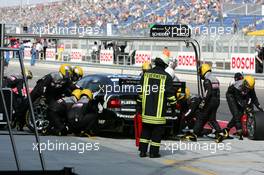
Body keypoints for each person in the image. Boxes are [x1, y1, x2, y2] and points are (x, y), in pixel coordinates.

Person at [137, 56, 176, 158]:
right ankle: (153, 153)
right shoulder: (167, 77)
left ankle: (142, 152)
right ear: (164, 65)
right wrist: (173, 109)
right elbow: (171, 96)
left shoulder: (145, 75)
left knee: (145, 132)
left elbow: (140, 94)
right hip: (158, 115)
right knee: (156, 134)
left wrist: (139, 108)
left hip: (146, 112)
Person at [181, 64, 224, 142]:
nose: (200, 74)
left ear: (204, 70)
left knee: (201, 117)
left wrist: (203, 103)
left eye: (200, 72)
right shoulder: (215, 79)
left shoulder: (207, 80)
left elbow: (208, 93)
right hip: (217, 101)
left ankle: (194, 134)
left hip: (210, 101)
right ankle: (220, 133)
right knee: (212, 119)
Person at [224, 75, 263, 140]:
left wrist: (259, 106)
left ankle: (242, 128)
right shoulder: (238, 86)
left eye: (249, 88)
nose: (248, 89)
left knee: (247, 109)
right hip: (231, 96)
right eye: (247, 87)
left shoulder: (250, 86)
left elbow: (254, 97)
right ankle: (228, 130)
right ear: (244, 83)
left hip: (241, 95)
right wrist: (245, 107)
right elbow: (239, 100)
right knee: (237, 113)